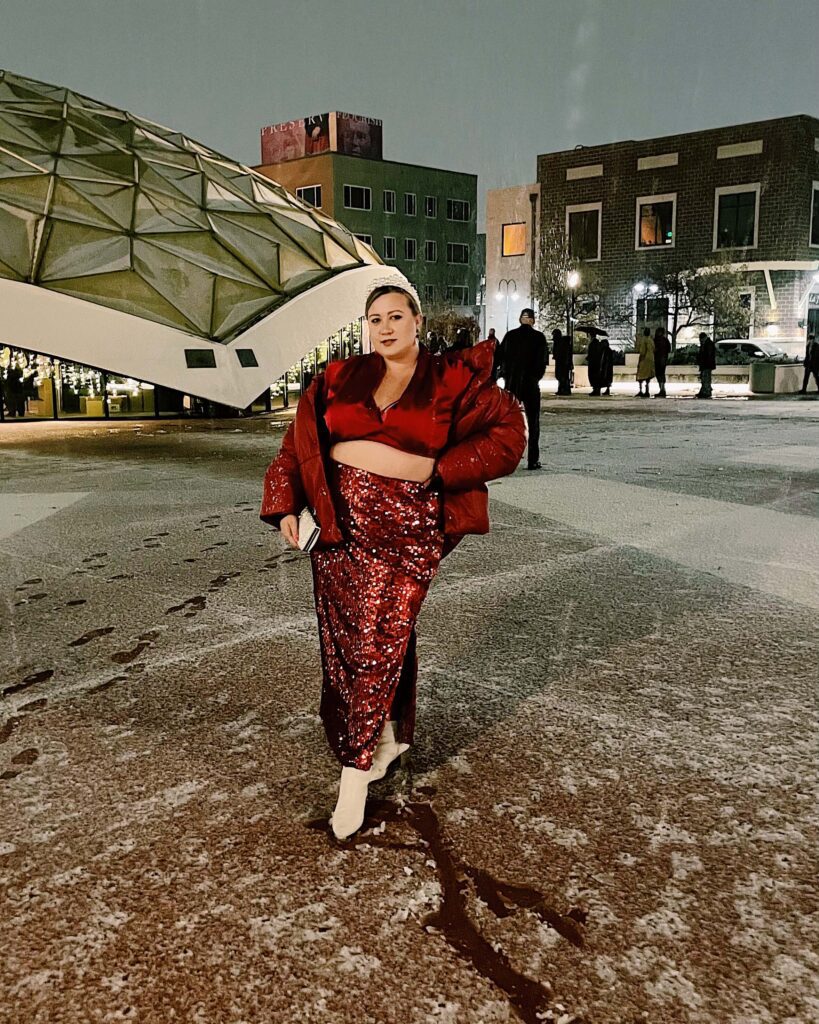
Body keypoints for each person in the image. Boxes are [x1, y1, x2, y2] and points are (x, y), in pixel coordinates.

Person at [260, 283, 526, 841]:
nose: (385, 327)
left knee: (375, 635)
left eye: (395, 316)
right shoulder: (338, 378)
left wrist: (439, 471)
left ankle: (353, 775)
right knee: (350, 641)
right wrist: (286, 502)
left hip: (407, 531)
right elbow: (296, 444)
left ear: (416, 321)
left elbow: (509, 434)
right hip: (337, 532)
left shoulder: (450, 377)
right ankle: (385, 737)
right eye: (374, 318)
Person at [496, 308, 549, 469]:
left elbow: (499, 358)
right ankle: (533, 459)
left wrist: (504, 375)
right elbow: (542, 363)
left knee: (509, 422)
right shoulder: (539, 338)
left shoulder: (510, 336)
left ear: (520, 319)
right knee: (533, 423)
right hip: (530, 385)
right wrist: (534, 378)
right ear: (532, 320)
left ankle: (506, 458)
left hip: (512, 384)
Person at [552, 328, 573, 396]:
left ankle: (564, 389)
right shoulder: (560, 342)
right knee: (561, 376)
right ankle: (562, 389)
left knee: (562, 376)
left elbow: (563, 353)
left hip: (562, 363)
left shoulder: (561, 343)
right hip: (562, 362)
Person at [636, 327, 655, 397]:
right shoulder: (651, 340)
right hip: (651, 359)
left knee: (641, 375)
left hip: (645, 360)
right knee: (648, 376)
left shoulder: (643, 340)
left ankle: (641, 390)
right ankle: (647, 390)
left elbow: (642, 351)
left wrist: (640, 359)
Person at [696, 332, 716, 398]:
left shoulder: (707, 344)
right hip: (706, 364)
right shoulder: (707, 343)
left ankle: (706, 391)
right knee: (704, 378)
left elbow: (707, 355)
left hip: (706, 364)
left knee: (706, 378)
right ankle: (705, 391)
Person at [653, 327, 670, 398]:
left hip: (658, 359)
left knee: (659, 374)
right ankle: (662, 389)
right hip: (663, 359)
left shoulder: (656, 340)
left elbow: (653, 349)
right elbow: (669, 349)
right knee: (661, 374)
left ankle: (662, 389)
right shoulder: (665, 340)